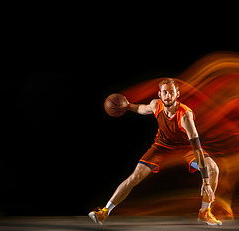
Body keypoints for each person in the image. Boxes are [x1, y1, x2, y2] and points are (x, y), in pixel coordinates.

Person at [89, 78, 222, 225]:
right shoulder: (155, 105)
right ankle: (104, 212)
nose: (168, 96)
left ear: (177, 94)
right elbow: (142, 109)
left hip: (185, 149)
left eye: (171, 92)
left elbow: (196, 148)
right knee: (135, 177)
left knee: (213, 169)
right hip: (162, 147)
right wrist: (127, 106)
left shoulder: (185, 115)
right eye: (165, 92)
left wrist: (206, 182)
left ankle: (205, 212)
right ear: (160, 94)